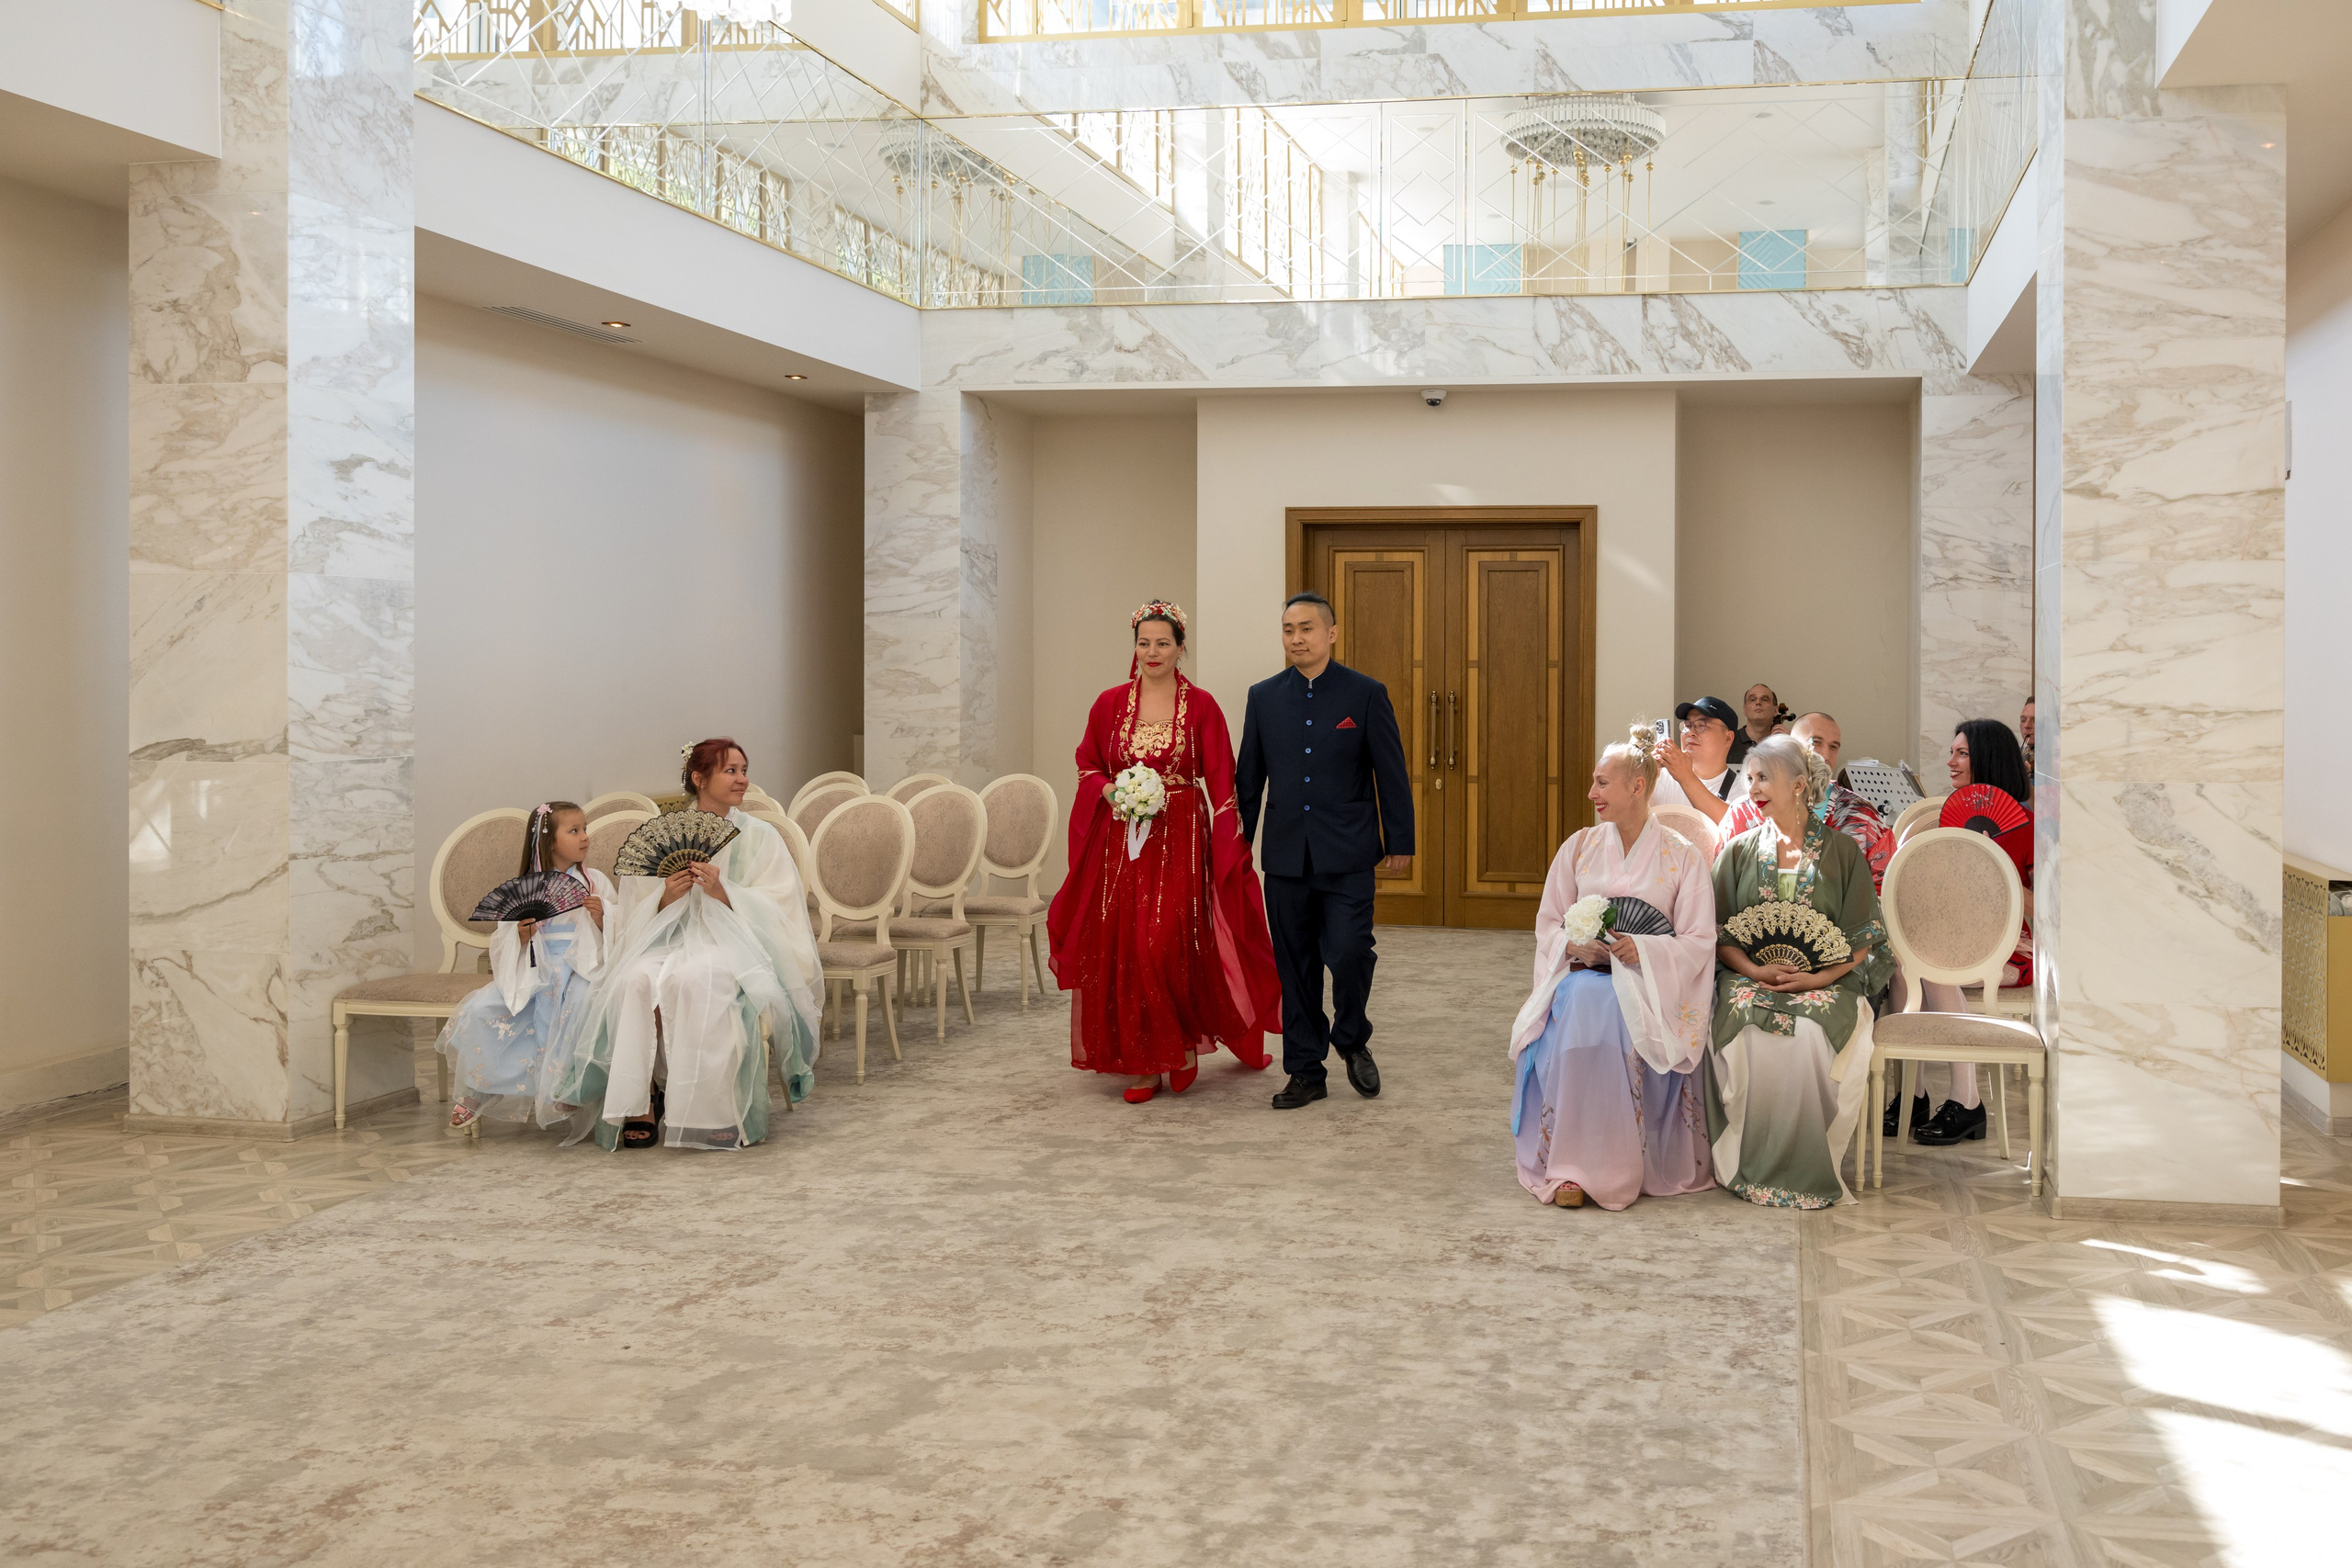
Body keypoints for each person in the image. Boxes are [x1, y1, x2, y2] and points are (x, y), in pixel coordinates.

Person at [1046, 600, 1282, 1104]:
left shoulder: (1202, 706)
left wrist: (1229, 848)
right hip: (1122, 846)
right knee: (1129, 947)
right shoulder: (1110, 703)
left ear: (1180, 648)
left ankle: (1182, 1046)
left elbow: (1222, 784)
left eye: (1162, 643)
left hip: (1182, 842)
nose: (1152, 652)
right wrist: (1112, 791)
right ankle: (1146, 1064)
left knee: (1166, 942)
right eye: (1143, 643)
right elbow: (1088, 764)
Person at [553, 738, 822, 1150]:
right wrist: (665, 898)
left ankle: (708, 1110)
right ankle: (641, 1101)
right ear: (699, 778)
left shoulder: (760, 836)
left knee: (694, 978)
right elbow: (635, 909)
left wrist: (724, 892)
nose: (742, 779)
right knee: (634, 979)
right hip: (668, 939)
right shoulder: (664, 834)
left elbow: (782, 905)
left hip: (732, 944)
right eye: (730, 771)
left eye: (744, 770)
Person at [1508, 723, 1717, 1210]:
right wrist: (1574, 945)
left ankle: (1611, 1164)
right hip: (1582, 975)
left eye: (1602, 783)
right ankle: (1571, 1165)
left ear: (1637, 786)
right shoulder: (1579, 847)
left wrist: (1642, 949)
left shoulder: (1682, 857)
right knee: (1584, 997)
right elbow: (1549, 923)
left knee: (1601, 1004)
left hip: (1649, 984)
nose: (1592, 793)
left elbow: (1698, 940)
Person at [1236, 591, 1414, 1111]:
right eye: (1288, 630)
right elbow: (1249, 779)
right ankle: (1306, 1070)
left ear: (1331, 633)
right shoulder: (1263, 697)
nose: (1297, 639)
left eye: (1307, 628)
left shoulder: (1365, 693)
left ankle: (1352, 1039)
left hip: (1348, 852)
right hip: (1286, 855)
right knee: (1295, 966)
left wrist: (1400, 839)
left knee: (1351, 951)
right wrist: (1237, 846)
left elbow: (1390, 771)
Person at [1705, 736, 1893, 1208]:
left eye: (1764, 778)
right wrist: (1754, 970)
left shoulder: (1843, 851)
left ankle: (1808, 1166)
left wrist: (1816, 979)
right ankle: (1750, 1163)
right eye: (1750, 779)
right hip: (1749, 978)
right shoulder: (1738, 851)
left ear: (1798, 785)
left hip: (1827, 981)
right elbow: (1721, 935)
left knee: (1808, 1033)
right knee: (1746, 1027)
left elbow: (1861, 938)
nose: (1753, 789)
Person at [435, 802, 612, 1132]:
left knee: (581, 1002)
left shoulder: (595, 882)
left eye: (585, 829)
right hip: (534, 967)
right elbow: (501, 940)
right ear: (549, 841)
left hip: (580, 965)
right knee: (483, 1008)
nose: (585, 837)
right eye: (574, 831)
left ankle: (568, 1085)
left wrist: (604, 918)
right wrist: (519, 935)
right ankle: (480, 1087)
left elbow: (620, 929)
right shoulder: (525, 887)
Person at [1902, 717, 2035, 1147]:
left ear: (1988, 760)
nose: (1951, 762)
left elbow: (2048, 909)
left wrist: (1997, 867)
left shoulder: (2028, 826)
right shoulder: (1951, 819)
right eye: (1952, 752)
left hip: (2013, 950)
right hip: (1957, 939)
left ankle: (1967, 1099)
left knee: (1932, 965)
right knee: (1902, 959)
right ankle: (1912, 1096)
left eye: (1962, 753)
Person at [1717, 711, 1894, 891]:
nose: (1825, 754)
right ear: (1789, 746)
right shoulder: (1743, 812)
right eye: (1816, 742)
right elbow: (1720, 886)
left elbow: (1886, 887)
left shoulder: (1861, 814)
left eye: (1833, 747)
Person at [1651, 696, 1750, 827]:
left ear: (1728, 738)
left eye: (1701, 725)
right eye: (1687, 726)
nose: (1690, 733)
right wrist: (1643, 773)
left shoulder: (1743, 789)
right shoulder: (1660, 777)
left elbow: (1735, 825)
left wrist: (1686, 778)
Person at [1727, 683, 1789, 766]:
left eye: (1764, 699)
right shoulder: (1728, 742)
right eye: (1752, 699)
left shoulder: (1785, 743)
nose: (1758, 702)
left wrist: (1792, 744)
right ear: (1745, 710)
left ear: (1775, 711)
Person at [2019, 698, 2036, 774]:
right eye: (2023, 720)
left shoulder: (2057, 759)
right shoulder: (2015, 755)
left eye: (2034, 720)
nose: (2026, 725)